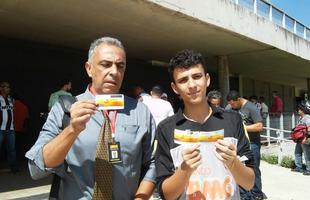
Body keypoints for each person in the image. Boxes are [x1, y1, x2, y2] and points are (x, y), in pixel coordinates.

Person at [26, 37, 156, 199]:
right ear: (89, 68)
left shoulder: (140, 111)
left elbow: (152, 163)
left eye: (120, 66)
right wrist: (72, 130)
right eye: (105, 64)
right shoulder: (65, 108)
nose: (114, 71)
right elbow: (36, 168)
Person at [155, 49, 254, 200]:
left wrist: (233, 162)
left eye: (196, 76)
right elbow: (167, 195)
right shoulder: (166, 128)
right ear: (175, 88)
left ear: (207, 79)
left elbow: (249, 183)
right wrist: (184, 169)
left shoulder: (233, 120)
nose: (192, 85)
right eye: (183, 80)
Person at [226, 90, 264, 200]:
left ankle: (257, 193)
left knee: (253, 169)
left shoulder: (251, 108)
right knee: (239, 169)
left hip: (252, 144)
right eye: (230, 104)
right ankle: (244, 195)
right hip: (238, 145)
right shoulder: (229, 108)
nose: (231, 106)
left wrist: (241, 127)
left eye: (233, 104)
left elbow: (259, 126)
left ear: (239, 99)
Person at [0, 81, 19, 173]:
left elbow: (13, 110)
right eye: (6, 87)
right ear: (1, 88)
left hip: (10, 129)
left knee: (12, 150)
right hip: (0, 129)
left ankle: (14, 168)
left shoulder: (11, 99)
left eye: (8, 87)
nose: (8, 88)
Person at [292, 100, 310, 175]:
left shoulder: (307, 118)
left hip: (305, 139)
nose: (298, 110)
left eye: (299, 109)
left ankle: (309, 169)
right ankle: (298, 167)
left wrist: (305, 138)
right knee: (297, 152)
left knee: (307, 154)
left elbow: (309, 129)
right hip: (299, 139)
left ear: (303, 110)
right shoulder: (300, 118)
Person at [12, 94, 29, 160]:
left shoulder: (11, 106)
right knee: (21, 144)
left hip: (12, 128)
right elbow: (26, 119)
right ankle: (21, 157)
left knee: (12, 146)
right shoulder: (24, 106)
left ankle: (13, 159)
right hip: (21, 128)